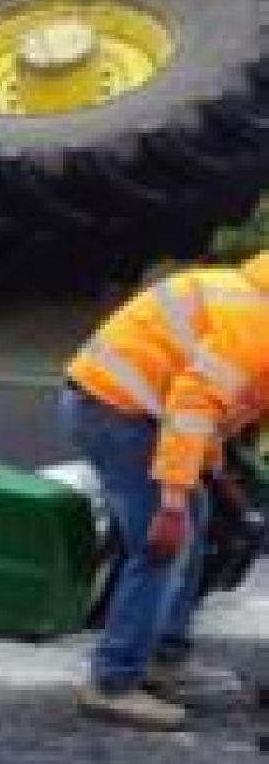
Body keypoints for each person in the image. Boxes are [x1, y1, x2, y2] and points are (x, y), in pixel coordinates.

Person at [59, 253, 269, 729]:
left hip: (132, 409)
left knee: (196, 520)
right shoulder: (258, 325)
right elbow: (193, 403)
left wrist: (211, 475)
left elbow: (239, 404)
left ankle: (165, 655)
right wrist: (171, 503)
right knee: (163, 544)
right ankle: (112, 684)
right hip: (116, 412)